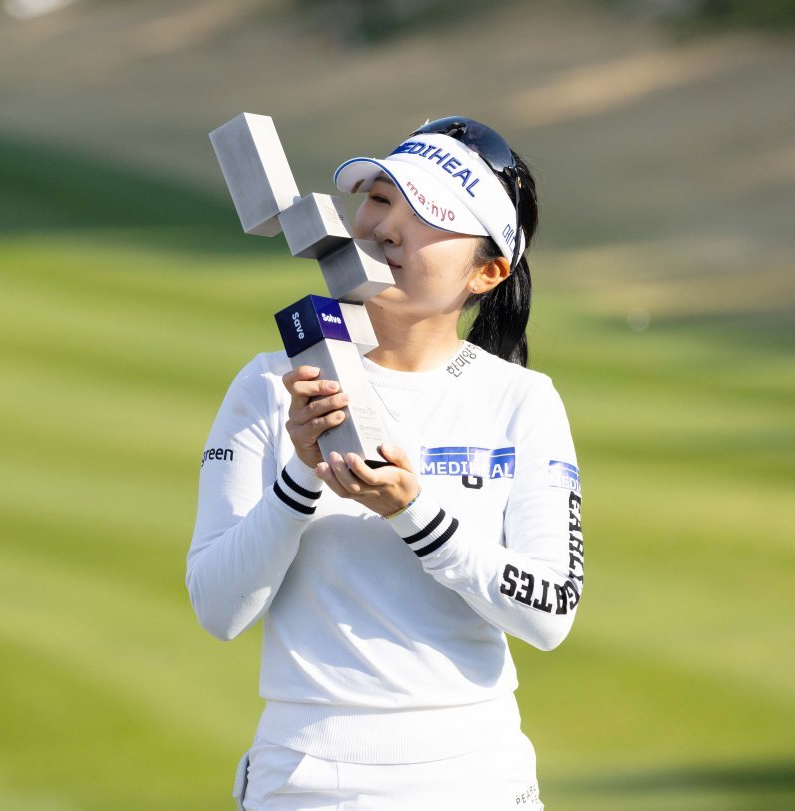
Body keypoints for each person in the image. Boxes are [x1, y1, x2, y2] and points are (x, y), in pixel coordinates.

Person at [187, 116, 584, 810]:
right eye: (377, 198)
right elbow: (218, 607)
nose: (385, 228)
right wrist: (301, 476)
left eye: (429, 216)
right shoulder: (270, 385)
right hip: (303, 780)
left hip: (476, 780)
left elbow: (549, 612)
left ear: (488, 271)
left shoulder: (523, 401)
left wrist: (415, 514)